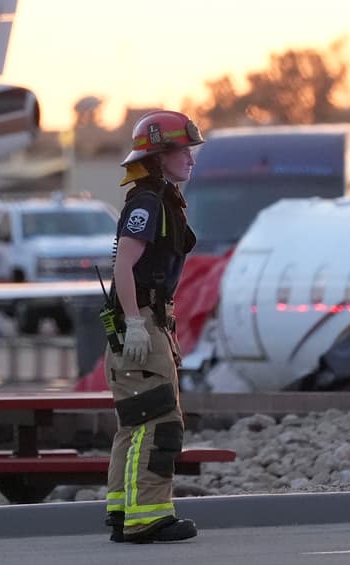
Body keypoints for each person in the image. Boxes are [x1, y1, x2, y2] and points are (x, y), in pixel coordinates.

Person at [103, 110, 203, 544]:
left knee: (136, 421)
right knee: (160, 420)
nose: (191, 159)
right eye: (184, 150)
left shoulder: (158, 198)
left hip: (140, 322)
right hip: (139, 322)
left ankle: (123, 510)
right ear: (160, 154)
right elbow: (124, 265)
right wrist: (137, 323)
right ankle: (148, 517)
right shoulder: (148, 202)